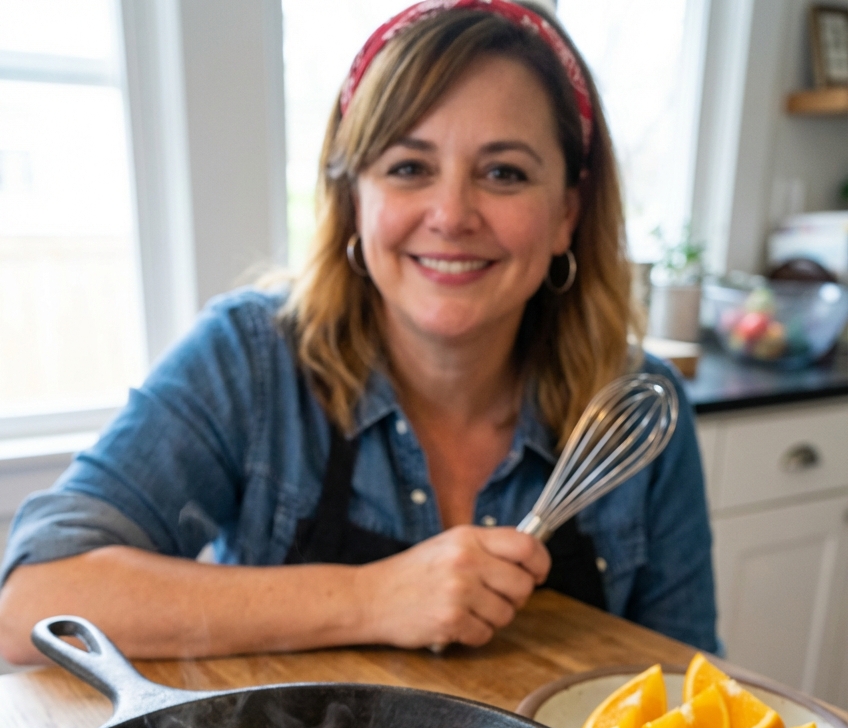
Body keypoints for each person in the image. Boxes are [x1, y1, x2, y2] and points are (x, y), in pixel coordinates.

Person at [0, 0, 716, 664]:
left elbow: (689, 698)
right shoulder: (249, 362)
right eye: (409, 167)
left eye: (503, 172)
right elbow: (32, 608)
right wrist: (372, 598)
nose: (451, 213)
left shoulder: (634, 415)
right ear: (352, 200)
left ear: (567, 212)